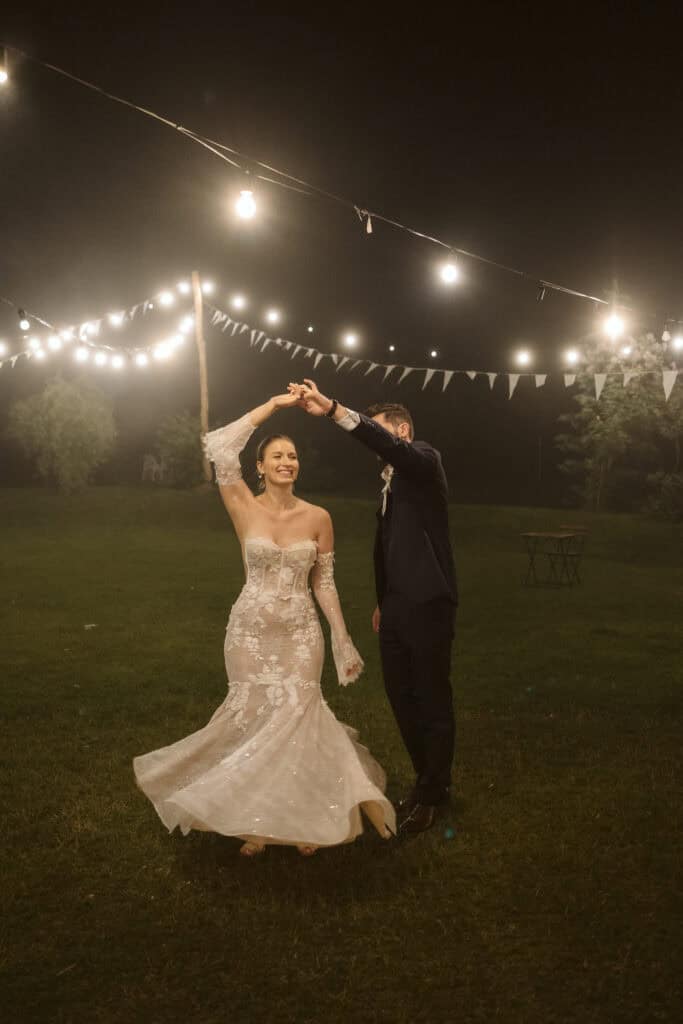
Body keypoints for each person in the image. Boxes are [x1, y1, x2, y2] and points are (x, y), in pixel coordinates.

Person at [134, 393, 395, 856]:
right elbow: (219, 446)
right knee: (253, 720)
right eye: (277, 456)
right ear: (260, 466)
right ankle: (254, 823)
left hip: (301, 633)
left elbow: (325, 584)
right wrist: (273, 406)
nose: (286, 462)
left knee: (300, 717)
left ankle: (306, 819)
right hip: (250, 632)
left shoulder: (318, 518)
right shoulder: (242, 506)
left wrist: (341, 638)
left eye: (292, 456)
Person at [290, 379, 457, 835]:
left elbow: (387, 446)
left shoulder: (424, 461)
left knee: (432, 698)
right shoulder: (391, 484)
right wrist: (384, 602)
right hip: (397, 608)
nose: (377, 444)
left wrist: (333, 409)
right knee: (401, 697)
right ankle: (427, 781)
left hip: (429, 604)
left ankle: (434, 793)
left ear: (401, 431)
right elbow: (388, 549)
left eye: (380, 430)